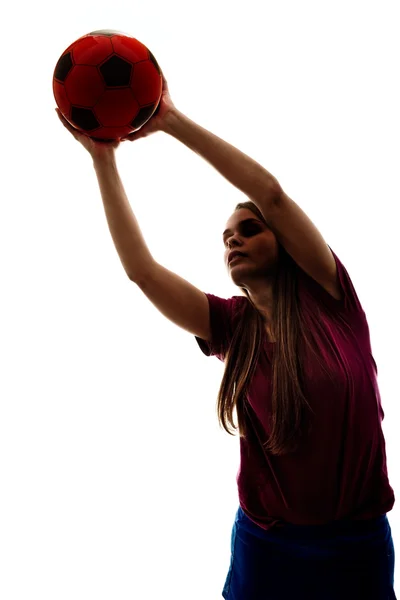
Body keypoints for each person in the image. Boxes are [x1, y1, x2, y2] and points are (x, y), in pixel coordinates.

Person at [56, 73, 396, 599]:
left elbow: (272, 194)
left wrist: (169, 120)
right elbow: (141, 270)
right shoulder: (231, 328)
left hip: (356, 543)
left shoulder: (331, 298)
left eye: (249, 230)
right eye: (226, 238)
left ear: (281, 244)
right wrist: (103, 160)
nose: (233, 241)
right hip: (269, 548)